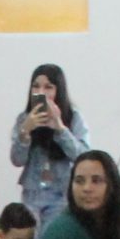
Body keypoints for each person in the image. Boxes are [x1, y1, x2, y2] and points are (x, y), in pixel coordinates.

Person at [8, 63, 88, 224]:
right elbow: (17, 160)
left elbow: (83, 156)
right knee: (32, 237)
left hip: (62, 194)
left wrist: (60, 128)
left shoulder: (74, 118)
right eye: (36, 86)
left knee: (53, 236)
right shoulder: (24, 118)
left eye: (48, 87)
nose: (41, 92)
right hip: (32, 193)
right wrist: (25, 132)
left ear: (59, 91)